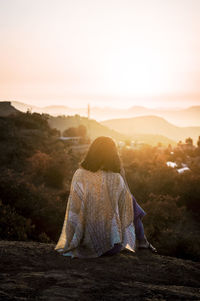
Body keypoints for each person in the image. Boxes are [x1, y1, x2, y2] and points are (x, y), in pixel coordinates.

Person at [55, 136, 156, 258]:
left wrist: (73, 240)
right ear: (113, 155)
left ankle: (143, 241)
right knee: (130, 202)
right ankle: (143, 242)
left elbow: (74, 210)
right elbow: (128, 213)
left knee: (129, 200)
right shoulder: (116, 179)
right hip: (111, 246)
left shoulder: (79, 175)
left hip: (81, 243)